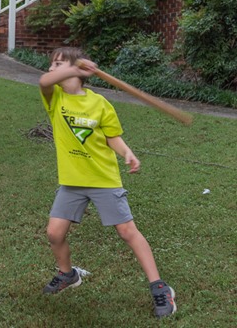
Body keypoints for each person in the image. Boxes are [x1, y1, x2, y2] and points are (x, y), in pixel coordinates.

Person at [38, 46, 177, 319]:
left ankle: (160, 287)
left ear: (80, 72)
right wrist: (75, 66)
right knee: (54, 233)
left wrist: (127, 153)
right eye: (53, 64)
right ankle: (68, 274)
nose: (53, 70)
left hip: (103, 179)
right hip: (72, 182)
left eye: (59, 64)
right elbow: (44, 81)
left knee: (127, 231)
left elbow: (112, 136)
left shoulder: (100, 104)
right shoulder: (54, 98)